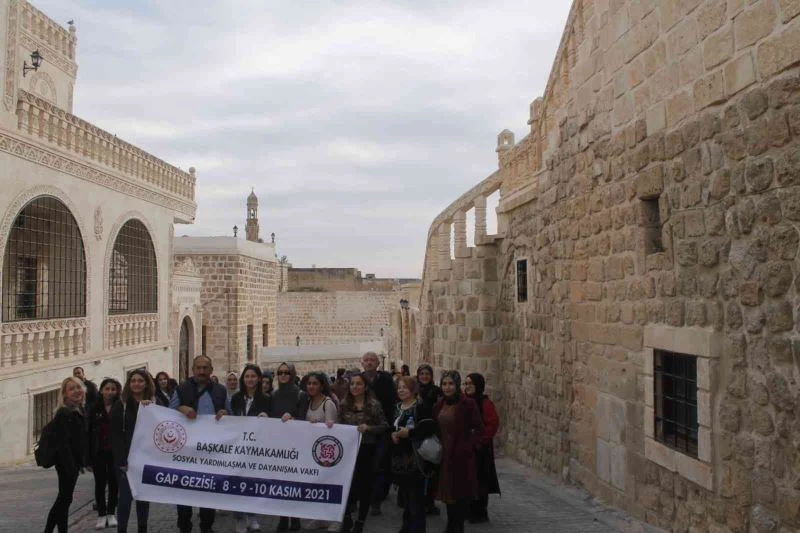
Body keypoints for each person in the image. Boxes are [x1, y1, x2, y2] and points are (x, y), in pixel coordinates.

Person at [170, 356, 229, 533]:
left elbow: (231, 414)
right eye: (198, 368)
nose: (201, 372)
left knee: (208, 491)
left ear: (211, 370)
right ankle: (184, 526)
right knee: (184, 490)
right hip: (186, 451)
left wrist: (224, 413)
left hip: (210, 452)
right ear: (193, 369)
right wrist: (181, 408)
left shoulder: (220, 390)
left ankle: (206, 526)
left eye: (205, 368)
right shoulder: (181, 389)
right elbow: (168, 414)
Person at [337, 373, 387, 533]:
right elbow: (339, 424)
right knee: (348, 485)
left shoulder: (373, 404)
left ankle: (360, 521)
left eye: (359, 384)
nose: (355, 387)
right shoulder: (344, 404)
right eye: (352, 384)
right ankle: (346, 519)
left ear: (365, 386)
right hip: (348, 450)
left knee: (365, 486)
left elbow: (384, 425)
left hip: (367, 449)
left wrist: (369, 428)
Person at [434, 371, 482, 533]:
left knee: (459, 494)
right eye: (444, 384)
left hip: (461, 457)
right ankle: (450, 526)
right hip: (444, 455)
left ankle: (457, 528)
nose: (447, 388)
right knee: (448, 493)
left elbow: (478, 428)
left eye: (451, 384)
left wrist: (466, 448)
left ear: (457, 385)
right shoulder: (439, 404)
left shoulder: (467, 404)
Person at [287, 372, 337, 530]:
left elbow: (334, 428)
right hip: (311, 451)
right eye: (309, 383)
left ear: (322, 385)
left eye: (315, 383)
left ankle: (335, 519)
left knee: (329, 484)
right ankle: (319, 518)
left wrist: (322, 425)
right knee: (316, 485)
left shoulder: (328, 403)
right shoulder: (307, 402)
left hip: (325, 451)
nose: (311, 386)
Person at [390, 376, 436, 533]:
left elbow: (428, 428)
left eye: (405, 387)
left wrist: (409, 433)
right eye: (399, 387)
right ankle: (406, 526)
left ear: (413, 389)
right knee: (406, 498)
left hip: (416, 459)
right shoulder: (397, 407)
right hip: (400, 460)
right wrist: (393, 434)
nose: (401, 390)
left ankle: (416, 529)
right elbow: (392, 427)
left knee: (416, 498)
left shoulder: (421, 407)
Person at [229, 364, 271, 533]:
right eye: (247, 376)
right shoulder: (236, 398)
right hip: (239, 447)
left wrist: (267, 417)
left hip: (256, 448)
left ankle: (253, 516)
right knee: (238, 483)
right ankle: (239, 518)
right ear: (243, 379)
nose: (250, 379)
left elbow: (272, 422)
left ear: (259, 379)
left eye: (253, 376)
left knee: (253, 482)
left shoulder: (267, 399)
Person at [44, 376, 88, 533]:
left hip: (73, 463)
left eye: (78, 387)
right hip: (66, 465)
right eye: (71, 389)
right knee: (63, 500)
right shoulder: (64, 413)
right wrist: (72, 467)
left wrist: (82, 462)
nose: (76, 391)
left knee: (65, 500)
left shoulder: (79, 409)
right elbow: (63, 444)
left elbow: (79, 439)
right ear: (65, 394)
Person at [112, 370, 155, 533]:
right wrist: (122, 460)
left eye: (140, 381)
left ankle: (142, 529)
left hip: (146, 459)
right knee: (125, 498)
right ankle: (122, 529)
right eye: (133, 381)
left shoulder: (153, 403)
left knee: (143, 498)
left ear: (146, 384)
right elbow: (115, 435)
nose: (136, 384)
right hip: (126, 461)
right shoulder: (120, 405)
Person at [359, 351, 396, 516]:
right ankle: (361, 496)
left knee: (380, 464)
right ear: (362, 363)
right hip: (361, 430)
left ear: (377, 363)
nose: (369, 363)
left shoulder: (387, 380)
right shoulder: (357, 380)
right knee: (362, 465)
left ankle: (376, 500)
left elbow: (393, 402)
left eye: (372, 360)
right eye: (366, 360)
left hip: (381, 429)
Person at [269, 362, 304, 532]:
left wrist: (293, 417)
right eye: (280, 372)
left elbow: (304, 417)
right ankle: (283, 517)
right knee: (281, 483)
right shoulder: (274, 395)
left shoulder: (300, 394)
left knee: (294, 483)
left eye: (286, 372)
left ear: (292, 374)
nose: (283, 375)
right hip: (278, 444)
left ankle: (295, 518)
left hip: (295, 444)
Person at [463, 373, 500, 523]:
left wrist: (479, 441)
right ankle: (467, 509)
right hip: (465, 448)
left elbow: (492, 424)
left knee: (480, 481)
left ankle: (479, 512)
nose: (468, 386)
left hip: (480, 449)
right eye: (465, 384)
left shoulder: (485, 403)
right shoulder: (463, 401)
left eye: (471, 383)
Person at [88, 378, 121, 530]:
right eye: (107, 389)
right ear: (101, 390)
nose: (110, 392)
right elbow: (87, 434)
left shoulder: (121, 407)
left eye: (113, 389)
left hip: (114, 452)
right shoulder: (93, 409)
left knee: (114, 483)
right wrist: (86, 458)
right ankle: (101, 514)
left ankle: (111, 513)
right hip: (98, 452)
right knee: (100, 484)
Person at [415, 364, 442, 515]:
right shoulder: (414, 391)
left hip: (433, 434)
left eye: (427, 374)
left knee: (432, 469)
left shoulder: (437, 392)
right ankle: (417, 501)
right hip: (417, 434)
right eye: (422, 374)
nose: (424, 376)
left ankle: (429, 501)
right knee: (418, 469)